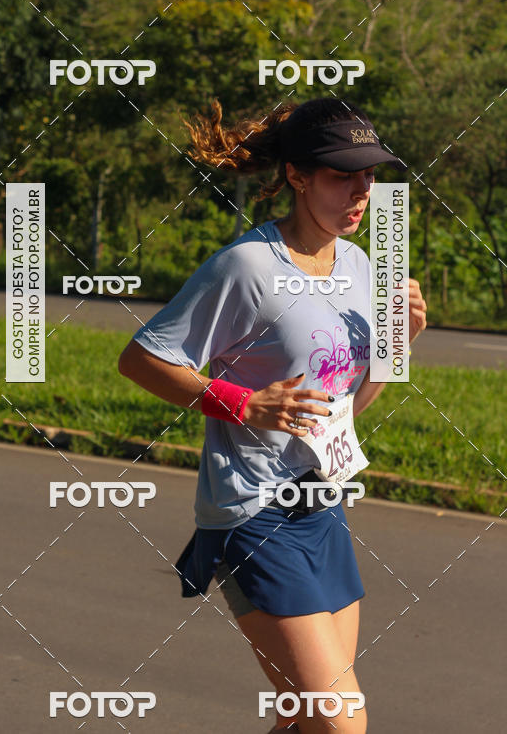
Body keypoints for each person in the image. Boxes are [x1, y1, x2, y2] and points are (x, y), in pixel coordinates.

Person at [118, 97, 427, 733]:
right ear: (296, 176)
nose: (361, 189)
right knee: (341, 723)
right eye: (343, 174)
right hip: (254, 514)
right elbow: (142, 360)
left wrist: (399, 343)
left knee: (303, 719)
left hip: (322, 506)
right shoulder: (249, 267)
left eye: (369, 174)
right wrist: (242, 402)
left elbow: (340, 412)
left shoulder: (360, 267)